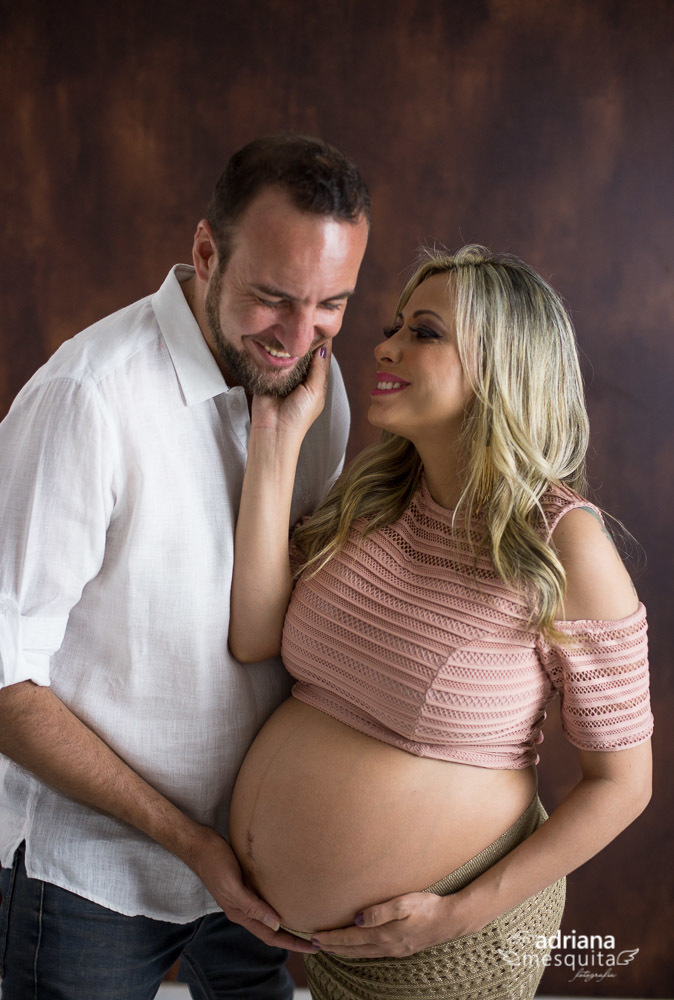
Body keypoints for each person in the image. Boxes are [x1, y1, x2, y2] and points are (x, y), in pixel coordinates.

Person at [227, 244, 654, 999]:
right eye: (395, 325)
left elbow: (623, 784)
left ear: (502, 365)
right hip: (325, 949)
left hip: (450, 947)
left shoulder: (565, 544)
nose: (385, 344)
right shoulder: (377, 499)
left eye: (424, 332)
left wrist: (456, 915)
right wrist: (276, 438)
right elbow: (255, 637)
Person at [0, 133, 370, 999]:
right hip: (91, 875)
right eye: (274, 298)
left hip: (254, 869)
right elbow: (3, 681)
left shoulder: (315, 386)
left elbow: (282, 629)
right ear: (206, 253)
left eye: (332, 305)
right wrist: (189, 841)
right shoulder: (89, 399)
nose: (299, 336)